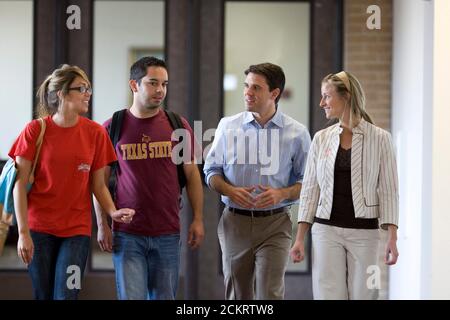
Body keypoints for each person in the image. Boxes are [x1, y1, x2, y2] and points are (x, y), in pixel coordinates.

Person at [10, 64, 135, 300]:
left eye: (89, 88)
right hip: (38, 229)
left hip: (76, 231)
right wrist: (23, 232)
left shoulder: (96, 133)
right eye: (82, 88)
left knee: (67, 294)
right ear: (62, 93)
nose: (88, 93)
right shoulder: (34, 130)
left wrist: (112, 212)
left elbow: (98, 185)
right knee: (43, 295)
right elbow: (19, 185)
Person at [94, 56, 205, 300]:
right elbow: (98, 183)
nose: (160, 90)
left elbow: (192, 175)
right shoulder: (112, 127)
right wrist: (102, 226)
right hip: (127, 234)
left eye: (164, 84)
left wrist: (197, 218)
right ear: (134, 85)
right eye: (153, 83)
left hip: (167, 232)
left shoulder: (178, 125)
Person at [204, 62, 311, 300]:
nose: (247, 93)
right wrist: (229, 190)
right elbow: (211, 171)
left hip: (276, 224)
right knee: (238, 295)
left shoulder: (297, 133)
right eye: (246, 86)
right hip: (234, 223)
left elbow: (310, 184)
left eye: (256, 88)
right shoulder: (227, 126)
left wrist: (281, 194)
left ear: (274, 93)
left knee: (269, 294)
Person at [290, 71, 399, 300]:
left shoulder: (381, 138)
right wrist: (300, 238)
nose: (322, 103)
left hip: (366, 234)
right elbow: (310, 189)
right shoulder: (321, 138)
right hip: (325, 231)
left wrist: (392, 238)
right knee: (327, 294)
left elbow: (389, 190)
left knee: (368, 293)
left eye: (327, 96)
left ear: (346, 96)